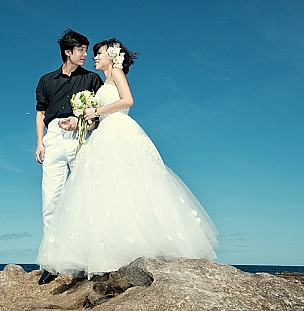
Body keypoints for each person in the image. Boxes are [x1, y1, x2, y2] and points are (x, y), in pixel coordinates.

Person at [36, 38, 219, 278]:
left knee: (127, 186)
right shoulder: (96, 81)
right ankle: (90, 254)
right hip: (99, 132)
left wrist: (94, 111)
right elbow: (90, 118)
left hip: (118, 131)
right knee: (101, 192)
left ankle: (130, 249)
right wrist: (83, 121)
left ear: (112, 56)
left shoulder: (113, 74)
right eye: (89, 52)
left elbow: (127, 101)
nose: (93, 57)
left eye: (98, 53)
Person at [35, 29, 103, 284]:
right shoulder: (46, 80)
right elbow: (41, 113)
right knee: (50, 199)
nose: (85, 54)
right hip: (53, 138)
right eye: (81, 50)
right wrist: (39, 142)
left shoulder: (92, 79)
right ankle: (52, 261)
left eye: (86, 50)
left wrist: (80, 121)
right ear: (67, 52)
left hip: (80, 137)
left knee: (85, 195)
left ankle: (89, 258)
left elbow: (99, 115)